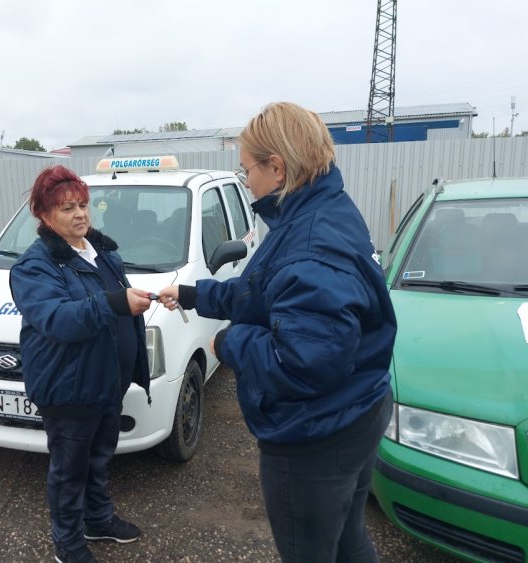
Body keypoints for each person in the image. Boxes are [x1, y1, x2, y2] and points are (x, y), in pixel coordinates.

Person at [158, 102, 396, 562]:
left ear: (277, 167)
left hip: (315, 437)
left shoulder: (309, 247)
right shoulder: (319, 210)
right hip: (356, 409)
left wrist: (230, 342)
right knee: (347, 540)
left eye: (247, 168)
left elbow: (304, 363)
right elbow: (263, 292)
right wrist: (192, 294)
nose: (245, 180)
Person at [10, 165, 152, 563]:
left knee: (99, 458)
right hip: (69, 387)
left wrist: (147, 299)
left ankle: (98, 519)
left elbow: (116, 302)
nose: (80, 214)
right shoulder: (35, 266)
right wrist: (116, 304)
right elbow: (59, 319)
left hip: (107, 381)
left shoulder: (102, 252)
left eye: (84, 205)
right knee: (69, 469)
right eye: (67, 207)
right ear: (43, 215)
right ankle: (68, 544)